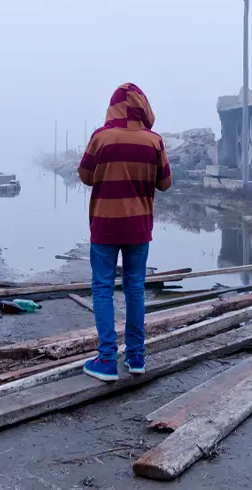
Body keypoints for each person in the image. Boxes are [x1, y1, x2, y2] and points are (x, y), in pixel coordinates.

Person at [77, 83, 172, 381]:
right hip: (139, 226)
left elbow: (85, 176)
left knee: (103, 288)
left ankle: (107, 360)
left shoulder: (100, 138)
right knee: (135, 288)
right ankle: (136, 356)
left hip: (105, 224)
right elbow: (165, 183)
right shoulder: (154, 141)